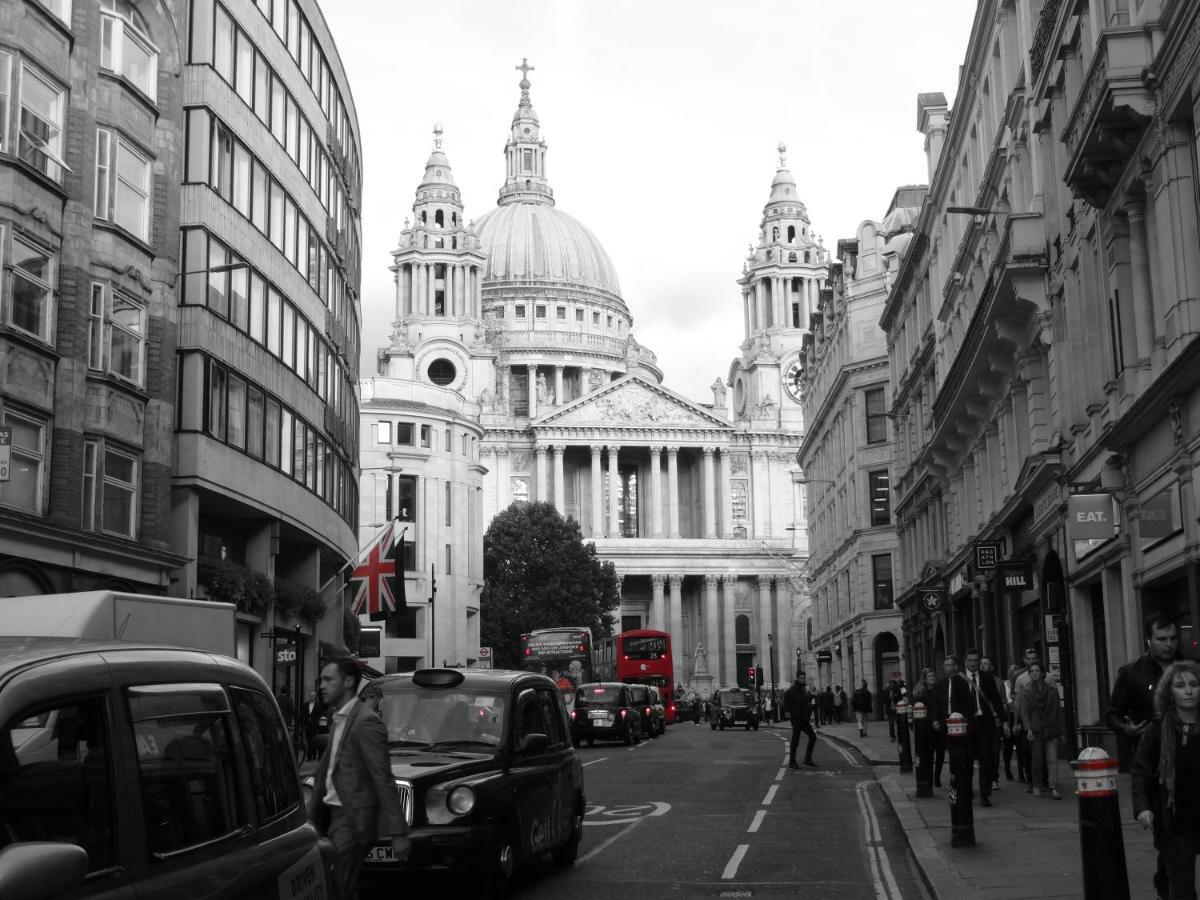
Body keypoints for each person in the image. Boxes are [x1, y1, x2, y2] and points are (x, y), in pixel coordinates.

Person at [307, 657, 410, 899]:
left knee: (336, 885)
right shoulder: (339, 719)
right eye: (322, 679)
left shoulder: (366, 722)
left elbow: (382, 777)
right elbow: (327, 771)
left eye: (329, 679)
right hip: (330, 815)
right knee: (338, 885)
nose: (322, 685)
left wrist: (398, 833)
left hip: (351, 818)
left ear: (349, 682)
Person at [1109, 614, 1183, 900]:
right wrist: (1127, 728)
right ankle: (1168, 879)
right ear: (1148, 641)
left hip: (1188, 759)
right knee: (1165, 832)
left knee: (1183, 832)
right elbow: (1112, 714)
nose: (1168, 644)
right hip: (1153, 765)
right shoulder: (1132, 673)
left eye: (1173, 638)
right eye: (1162, 639)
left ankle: (1174, 876)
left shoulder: (1188, 669)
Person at [1134, 659, 1200, 900]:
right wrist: (1143, 808)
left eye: (1194, 684)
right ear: (1169, 693)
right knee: (1182, 891)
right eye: (1181, 686)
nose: (1189, 691)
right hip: (1176, 818)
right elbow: (1140, 771)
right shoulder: (1159, 730)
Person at [932, 650, 1007, 807]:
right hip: (967, 725)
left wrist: (1004, 720)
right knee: (967, 760)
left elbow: (995, 699)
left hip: (984, 724)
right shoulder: (958, 680)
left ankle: (985, 794)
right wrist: (954, 722)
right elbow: (954, 702)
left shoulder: (986, 678)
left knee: (986, 760)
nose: (974, 664)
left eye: (976, 661)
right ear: (965, 661)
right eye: (970, 661)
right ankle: (968, 790)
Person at [1019, 662, 1062, 799]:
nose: (1035, 673)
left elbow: (1057, 711)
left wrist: (1061, 730)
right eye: (1032, 671)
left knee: (1052, 758)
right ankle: (1037, 785)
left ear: (1043, 673)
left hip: (1051, 727)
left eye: (1037, 671)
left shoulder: (1052, 691)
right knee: (1037, 758)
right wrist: (1028, 728)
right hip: (1036, 729)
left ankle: (1053, 786)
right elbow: (1024, 712)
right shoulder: (1026, 692)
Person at [913, 667, 946, 787]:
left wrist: (940, 721)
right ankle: (929, 777)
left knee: (941, 753)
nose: (933, 678)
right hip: (927, 727)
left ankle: (937, 777)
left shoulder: (940, 690)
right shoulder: (921, 693)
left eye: (934, 676)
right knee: (930, 753)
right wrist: (932, 721)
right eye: (930, 676)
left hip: (940, 726)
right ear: (925, 680)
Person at [783, 672, 817, 768]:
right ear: (797, 678)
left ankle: (807, 759)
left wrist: (810, 693)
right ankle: (792, 762)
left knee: (813, 737)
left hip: (803, 718)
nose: (803, 680)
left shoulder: (801, 688)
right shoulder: (794, 689)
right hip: (797, 718)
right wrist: (811, 695)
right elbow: (800, 700)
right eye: (802, 678)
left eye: (804, 678)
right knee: (795, 741)